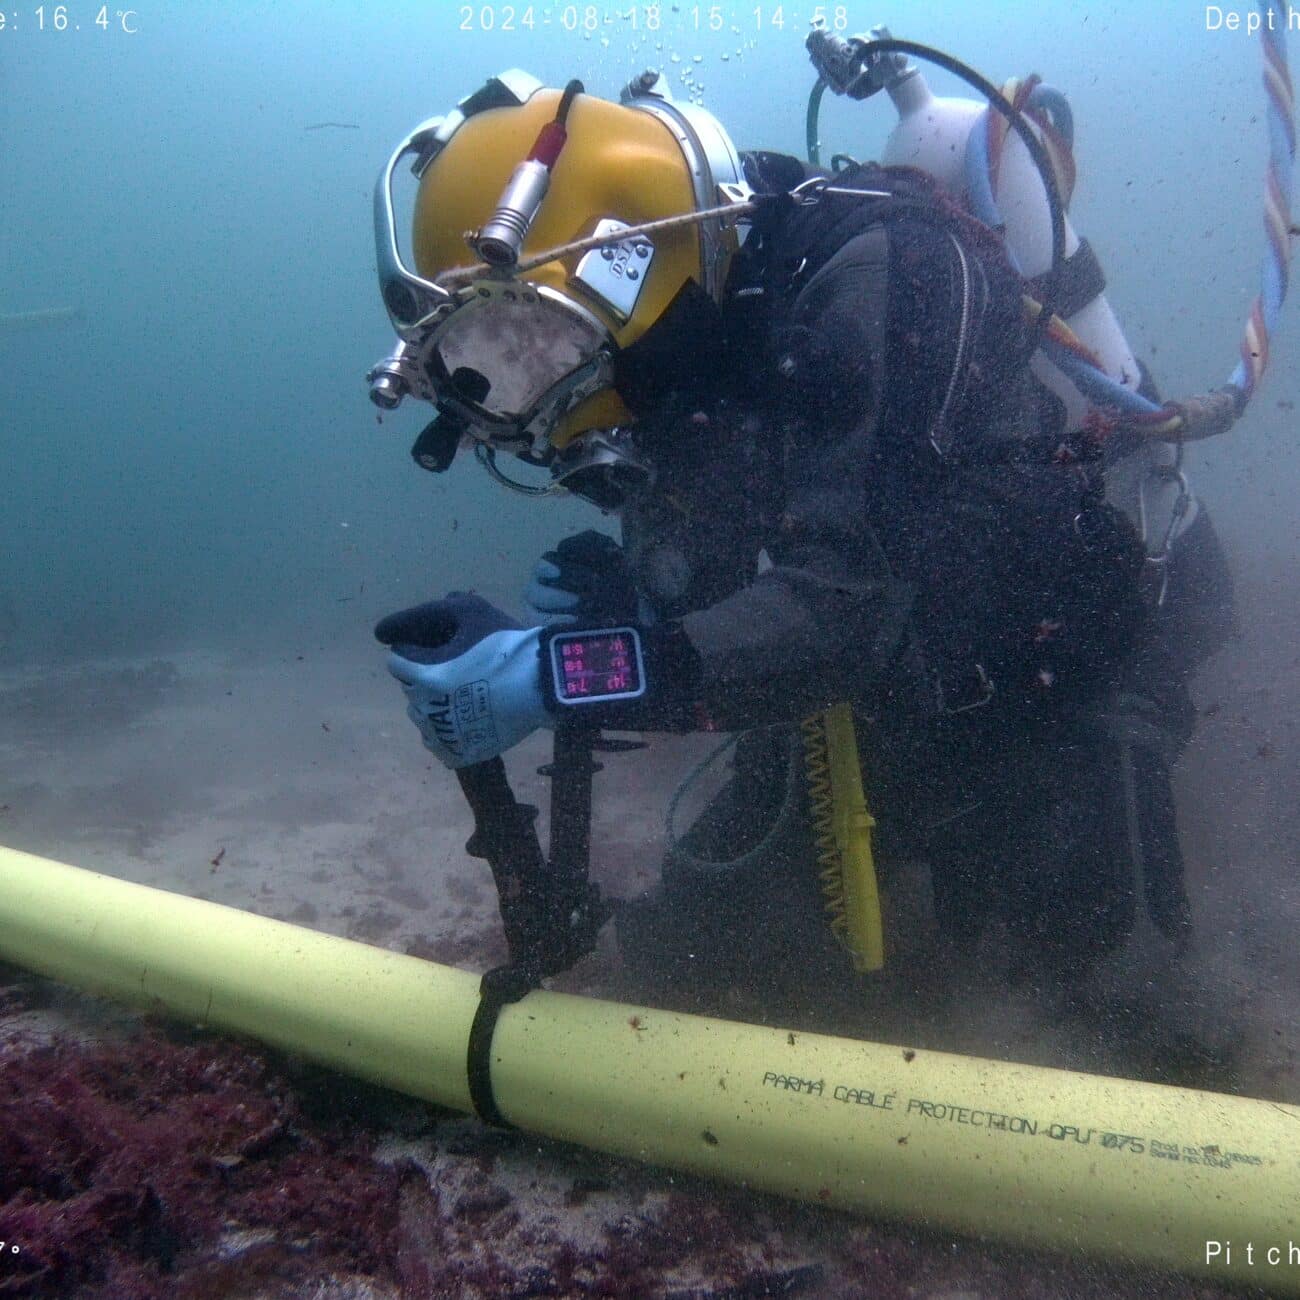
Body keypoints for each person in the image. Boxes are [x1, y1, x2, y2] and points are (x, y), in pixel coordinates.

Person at [367, 63, 1234, 1003]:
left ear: (625, 261)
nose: (532, 402)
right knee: (705, 961)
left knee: (1111, 998)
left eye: (529, 342)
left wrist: (559, 674)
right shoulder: (687, 328)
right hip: (894, 668)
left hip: (1075, 655)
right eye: (481, 366)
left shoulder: (892, 273)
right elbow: (727, 591)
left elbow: (840, 615)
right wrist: (633, 606)